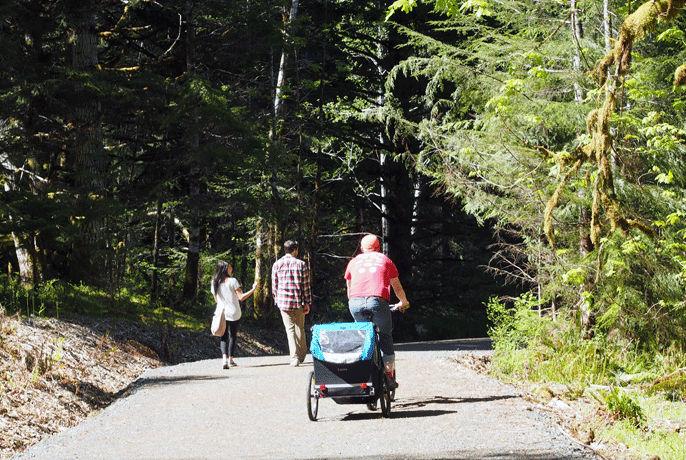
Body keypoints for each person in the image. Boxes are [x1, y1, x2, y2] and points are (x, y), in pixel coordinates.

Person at [344, 234, 409, 389]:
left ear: (361, 249)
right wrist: (404, 302)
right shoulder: (385, 260)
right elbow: (396, 286)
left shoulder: (353, 262)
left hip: (355, 302)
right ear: (378, 248)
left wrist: (354, 303)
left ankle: (364, 372)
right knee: (385, 336)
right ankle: (389, 375)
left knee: (364, 337)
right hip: (377, 301)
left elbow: (349, 288)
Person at [271, 240, 312, 367]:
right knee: (300, 327)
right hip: (298, 301)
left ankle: (294, 357)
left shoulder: (277, 264)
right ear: (295, 250)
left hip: (283, 302)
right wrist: (307, 302)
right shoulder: (301, 264)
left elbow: (274, 285)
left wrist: (276, 299)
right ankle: (301, 354)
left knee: (290, 330)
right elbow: (305, 285)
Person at [211, 261, 257, 369]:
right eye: (229, 267)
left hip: (221, 312)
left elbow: (216, 300)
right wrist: (253, 289)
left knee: (223, 336)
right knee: (232, 335)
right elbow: (241, 297)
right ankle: (231, 359)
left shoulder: (214, 281)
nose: (231, 269)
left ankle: (224, 360)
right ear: (224, 269)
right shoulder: (233, 281)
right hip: (234, 312)